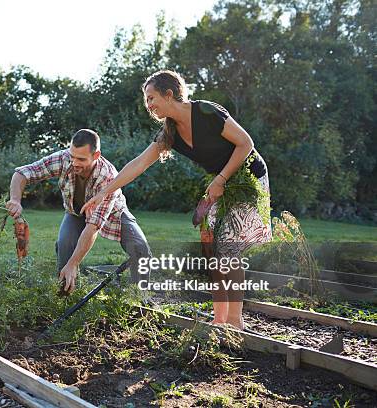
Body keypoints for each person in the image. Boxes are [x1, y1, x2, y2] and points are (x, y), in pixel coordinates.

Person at [81, 71, 272, 330]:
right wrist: (104, 191)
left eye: (151, 98)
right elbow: (139, 164)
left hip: (247, 178)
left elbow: (245, 143)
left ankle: (235, 322)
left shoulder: (205, 112)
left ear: (169, 94)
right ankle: (219, 319)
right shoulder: (169, 133)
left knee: (229, 247)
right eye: (146, 100)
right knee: (210, 248)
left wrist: (221, 180)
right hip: (221, 183)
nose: (148, 105)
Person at [6, 129, 152, 293]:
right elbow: (23, 173)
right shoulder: (64, 158)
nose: (74, 162)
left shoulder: (108, 176)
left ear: (96, 156)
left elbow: (93, 227)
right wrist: (15, 200)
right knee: (65, 246)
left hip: (113, 213)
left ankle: (140, 299)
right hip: (75, 212)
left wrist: (74, 263)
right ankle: (65, 296)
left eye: (81, 159)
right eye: (72, 156)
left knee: (140, 248)